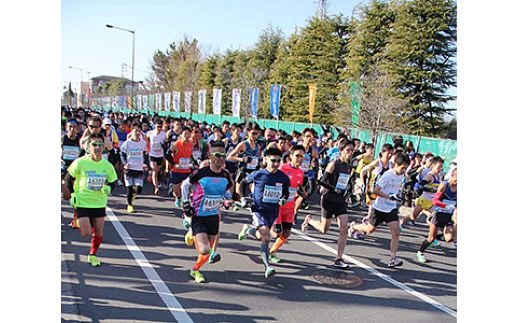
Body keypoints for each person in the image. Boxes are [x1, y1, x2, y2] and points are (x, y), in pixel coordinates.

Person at [181, 140, 234, 283]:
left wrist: (228, 200)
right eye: (217, 155)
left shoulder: (225, 175)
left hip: (213, 217)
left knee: (208, 251)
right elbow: (185, 185)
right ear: (210, 156)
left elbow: (227, 192)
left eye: (223, 155)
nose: (220, 158)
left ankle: (195, 269)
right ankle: (192, 232)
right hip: (199, 215)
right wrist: (185, 203)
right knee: (204, 250)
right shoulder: (201, 173)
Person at [63, 133, 118, 267]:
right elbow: (69, 178)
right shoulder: (81, 162)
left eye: (100, 144)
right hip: (83, 201)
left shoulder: (107, 165)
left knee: (98, 231)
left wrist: (109, 188)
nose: (97, 147)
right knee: (86, 232)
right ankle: (80, 219)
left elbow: (113, 181)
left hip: (99, 202)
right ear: (88, 146)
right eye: (94, 144)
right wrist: (73, 194)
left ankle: (92, 254)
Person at [348, 152, 410, 268]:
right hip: (379, 208)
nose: (404, 170)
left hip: (391, 208)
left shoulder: (402, 177)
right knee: (370, 229)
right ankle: (354, 227)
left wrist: (399, 195)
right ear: (396, 164)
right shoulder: (388, 175)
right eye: (403, 167)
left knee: (396, 232)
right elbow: (375, 190)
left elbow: (397, 189)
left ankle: (393, 259)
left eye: (406, 167)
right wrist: (389, 196)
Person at [301, 140, 355, 269]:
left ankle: (339, 258)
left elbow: (348, 181)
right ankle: (309, 220)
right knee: (324, 229)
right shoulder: (334, 163)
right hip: (328, 199)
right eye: (348, 150)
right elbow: (322, 181)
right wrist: (333, 188)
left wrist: (349, 191)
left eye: (352, 150)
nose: (350, 153)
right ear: (341, 150)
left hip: (340, 201)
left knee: (343, 227)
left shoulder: (349, 166)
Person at [237, 147, 290, 278]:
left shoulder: (283, 177)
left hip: (272, 211)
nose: (276, 164)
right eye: (273, 160)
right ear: (265, 159)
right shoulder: (259, 174)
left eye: (278, 161)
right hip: (258, 210)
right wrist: (243, 197)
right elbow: (243, 182)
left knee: (262, 236)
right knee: (266, 236)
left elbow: (286, 192)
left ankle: (248, 229)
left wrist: (283, 199)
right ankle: (267, 267)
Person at [268, 145, 306, 263]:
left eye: (302, 156)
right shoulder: (282, 169)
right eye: (297, 156)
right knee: (275, 234)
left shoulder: (301, 172)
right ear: (290, 156)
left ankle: (271, 252)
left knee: (287, 233)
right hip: (278, 206)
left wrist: (302, 192)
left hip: (290, 207)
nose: (299, 159)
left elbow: (298, 187)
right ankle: (253, 228)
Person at [416, 167, 457, 263]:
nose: (457, 182)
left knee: (449, 238)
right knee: (430, 238)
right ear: (452, 175)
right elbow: (435, 200)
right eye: (456, 179)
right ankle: (420, 252)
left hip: (448, 216)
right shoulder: (444, 185)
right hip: (438, 215)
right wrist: (446, 205)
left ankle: (438, 235)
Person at [401, 156, 444, 227]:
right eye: (438, 167)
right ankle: (401, 223)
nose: (440, 169)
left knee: (436, 217)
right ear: (433, 165)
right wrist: (431, 190)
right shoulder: (430, 175)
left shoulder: (439, 176)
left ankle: (435, 235)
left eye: (441, 167)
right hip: (424, 200)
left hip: (433, 202)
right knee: (412, 217)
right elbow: (420, 186)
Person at [119, 123, 148, 213]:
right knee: (129, 188)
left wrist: (145, 163)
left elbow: (145, 154)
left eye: (139, 131)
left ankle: (134, 194)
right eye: (136, 131)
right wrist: (125, 163)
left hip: (139, 168)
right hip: (129, 168)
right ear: (131, 132)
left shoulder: (143, 143)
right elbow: (122, 154)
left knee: (139, 189)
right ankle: (130, 205)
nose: (138, 133)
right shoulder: (127, 143)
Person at [62, 118, 82, 228]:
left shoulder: (79, 141)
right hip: (63, 169)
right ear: (66, 128)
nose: (72, 129)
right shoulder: (62, 139)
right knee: (66, 194)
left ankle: (76, 219)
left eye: (74, 127)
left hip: (75, 170)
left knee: (74, 196)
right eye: (70, 127)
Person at [167, 126, 194, 207]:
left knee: (188, 186)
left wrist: (193, 163)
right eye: (185, 134)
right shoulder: (176, 144)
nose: (187, 136)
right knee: (176, 188)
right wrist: (173, 164)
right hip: (176, 170)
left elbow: (191, 155)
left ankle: (186, 201)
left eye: (188, 134)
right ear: (181, 135)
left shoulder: (190, 144)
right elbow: (167, 154)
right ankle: (178, 197)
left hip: (186, 170)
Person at [146, 119, 167, 195]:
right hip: (152, 154)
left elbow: (166, 143)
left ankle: (153, 178)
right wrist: (147, 149)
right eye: (158, 126)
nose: (159, 128)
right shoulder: (150, 133)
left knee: (158, 170)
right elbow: (146, 140)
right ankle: (156, 187)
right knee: (155, 170)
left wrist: (163, 145)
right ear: (155, 126)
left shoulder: (164, 134)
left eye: (160, 127)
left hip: (160, 155)